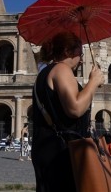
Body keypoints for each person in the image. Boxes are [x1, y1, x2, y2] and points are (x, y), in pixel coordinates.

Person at [31, 32, 104, 192]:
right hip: (63, 152)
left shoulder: (43, 74)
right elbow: (75, 108)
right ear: (66, 51)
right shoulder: (61, 69)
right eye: (79, 53)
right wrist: (93, 82)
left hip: (47, 149)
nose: (82, 59)